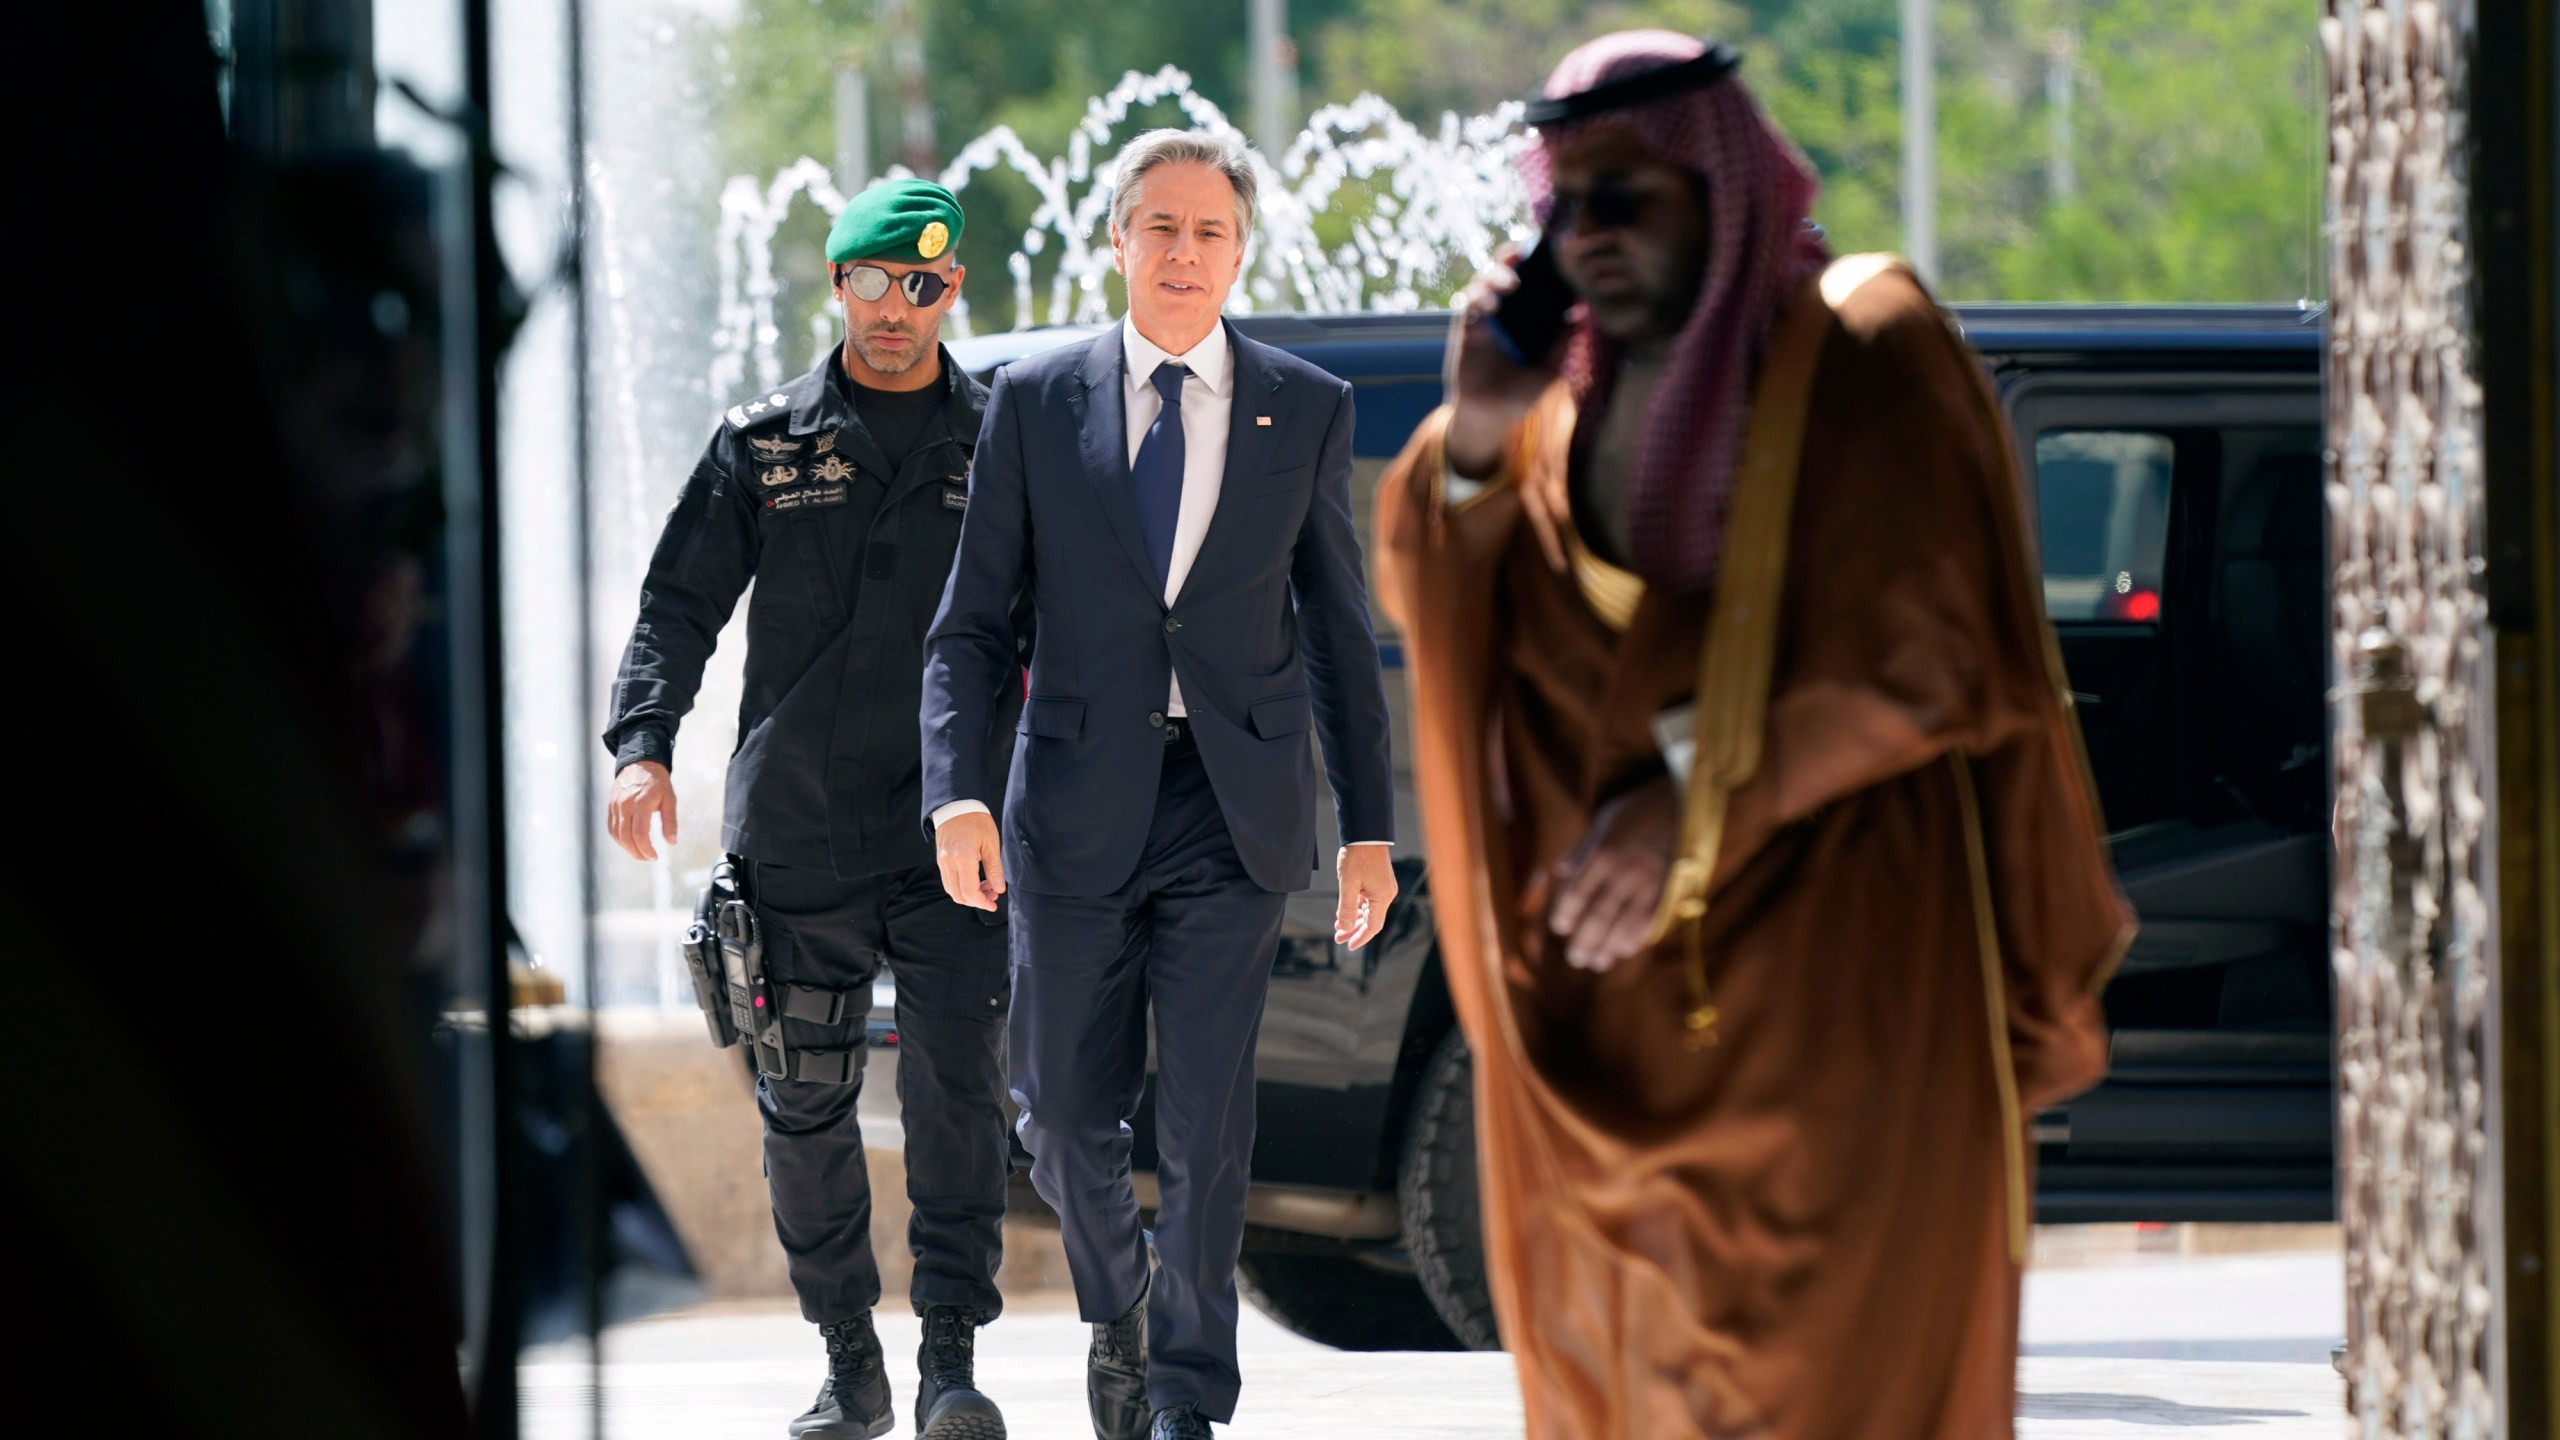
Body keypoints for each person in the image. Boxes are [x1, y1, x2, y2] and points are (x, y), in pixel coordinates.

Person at [1371, 32, 2135, 1440]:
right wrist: (1475, 434)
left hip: (1839, 1000)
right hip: (1617, 1027)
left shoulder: (1862, 348)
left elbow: (1932, 656)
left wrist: (1690, 793)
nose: (1588, 237)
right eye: (1566, 206)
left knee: (1849, 1386)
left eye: (1629, 198)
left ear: (1722, 189)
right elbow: (1436, 590)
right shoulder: (1549, 415)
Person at [919, 129, 1399, 1440]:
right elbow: (970, 626)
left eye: (1210, 232)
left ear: (1241, 252)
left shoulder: (1303, 407)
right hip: (1068, 801)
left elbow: (1342, 635)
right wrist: (955, 793)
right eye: (1160, 227)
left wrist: (1372, 832)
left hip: (1232, 809)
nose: (1184, 253)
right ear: (1116, 242)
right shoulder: (1035, 399)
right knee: (1060, 1116)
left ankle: (1185, 1392)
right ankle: (1116, 1314)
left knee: (1205, 1114)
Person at [602, 179, 1020, 1440]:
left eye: (927, 286)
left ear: (955, 295)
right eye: (876, 282)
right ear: (837, 286)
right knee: (804, 1098)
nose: (900, 310)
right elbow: (677, 605)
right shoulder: (763, 442)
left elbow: (1059, 627)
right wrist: (641, 747)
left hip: (956, 823)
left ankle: (949, 1357)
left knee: (957, 1090)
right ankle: (850, 1361)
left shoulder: (1001, 439)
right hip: (796, 824)